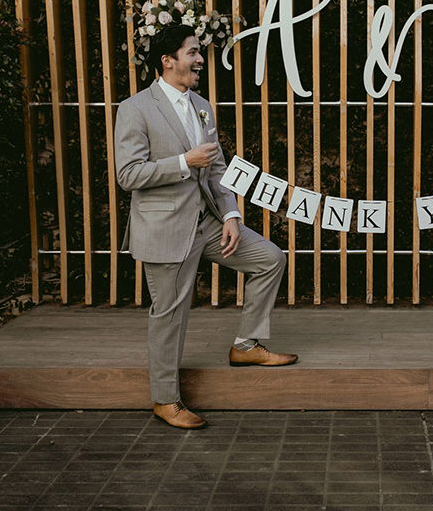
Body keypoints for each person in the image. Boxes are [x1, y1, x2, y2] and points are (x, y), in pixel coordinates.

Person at [115, 24, 297, 430]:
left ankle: (247, 344)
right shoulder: (135, 108)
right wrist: (183, 162)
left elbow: (215, 168)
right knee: (170, 314)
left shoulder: (202, 105)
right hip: (165, 229)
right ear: (168, 60)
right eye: (193, 52)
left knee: (269, 258)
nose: (200, 60)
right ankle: (165, 400)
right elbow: (127, 174)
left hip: (208, 223)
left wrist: (231, 215)